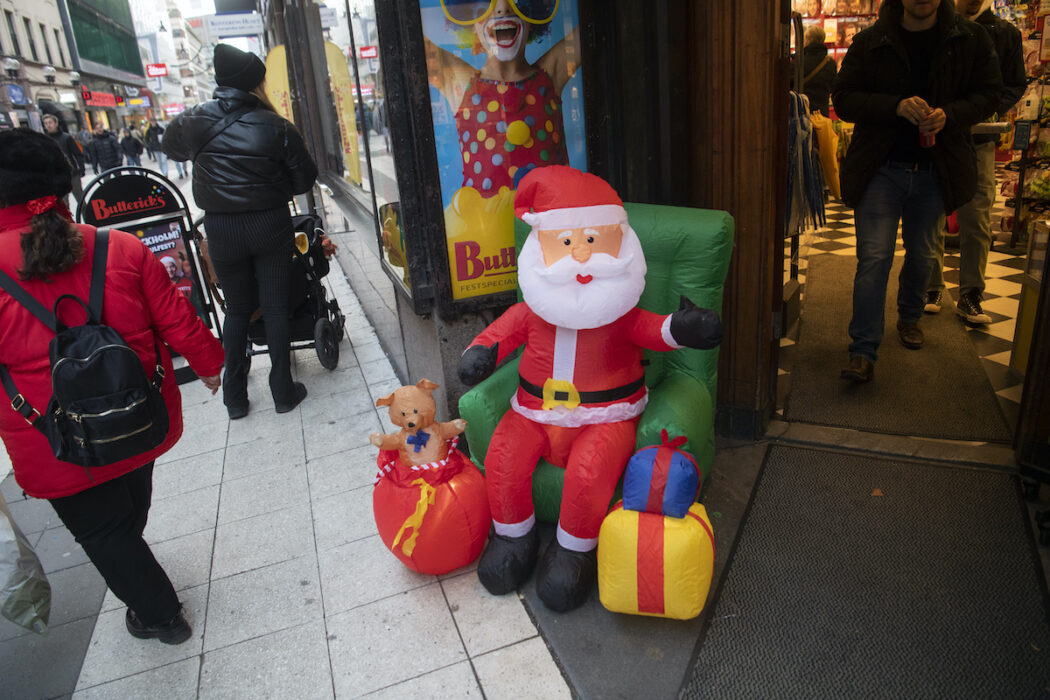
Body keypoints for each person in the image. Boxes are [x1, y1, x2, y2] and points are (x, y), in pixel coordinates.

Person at [457, 166, 723, 612]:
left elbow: (656, 330)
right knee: (503, 457)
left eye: (594, 242)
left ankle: (573, 552)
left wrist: (685, 327)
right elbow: (498, 335)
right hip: (533, 413)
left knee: (589, 472)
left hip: (606, 417)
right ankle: (513, 541)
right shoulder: (532, 311)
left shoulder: (620, 313)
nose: (581, 255)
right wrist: (478, 353)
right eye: (566, 244)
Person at [0, 128, 225, 644]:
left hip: (47, 435)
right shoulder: (118, 246)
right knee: (125, 507)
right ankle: (138, 570)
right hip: (137, 411)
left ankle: (160, 615)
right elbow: (177, 317)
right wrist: (212, 365)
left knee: (102, 530)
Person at [833, 0, 1001, 383]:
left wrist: (951, 114)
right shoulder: (872, 40)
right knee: (874, 258)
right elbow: (843, 98)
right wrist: (894, 106)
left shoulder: (970, 38)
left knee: (923, 253)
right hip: (880, 169)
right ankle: (862, 350)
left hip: (935, 170)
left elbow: (991, 92)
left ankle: (910, 316)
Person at [162, 43, 318, 419]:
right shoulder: (276, 124)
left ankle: (234, 397)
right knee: (276, 308)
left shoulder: (193, 120)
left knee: (236, 311)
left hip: (222, 228)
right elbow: (303, 179)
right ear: (254, 83)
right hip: (269, 222)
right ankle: (282, 391)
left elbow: (170, 147)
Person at [924, 0, 1027, 324]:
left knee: (976, 217)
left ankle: (970, 293)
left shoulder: (1005, 33)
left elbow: (1014, 83)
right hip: (938, 136)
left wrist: (988, 108)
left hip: (978, 137)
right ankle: (931, 287)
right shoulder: (935, 27)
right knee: (929, 214)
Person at [425, 0, 579, 192]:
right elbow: (411, 41)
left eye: (517, 1)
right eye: (485, 3)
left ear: (532, 19)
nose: (502, 8)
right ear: (471, 23)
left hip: (550, 217)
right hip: (487, 219)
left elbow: (592, 24)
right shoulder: (461, 82)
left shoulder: (550, 75)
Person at [41, 114, 85, 207]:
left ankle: (88, 220)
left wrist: (81, 168)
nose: (48, 125)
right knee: (63, 204)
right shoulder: (44, 140)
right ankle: (68, 222)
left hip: (72, 174)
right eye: (45, 123)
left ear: (56, 123)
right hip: (57, 176)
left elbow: (77, 154)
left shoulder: (66, 137)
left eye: (50, 122)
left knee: (81, 200)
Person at [800, 24, 836, 117]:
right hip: (822, 114)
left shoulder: (799, 62)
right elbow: (833, 87)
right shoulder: (830, 63)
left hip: (803, 114)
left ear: (807, 41)